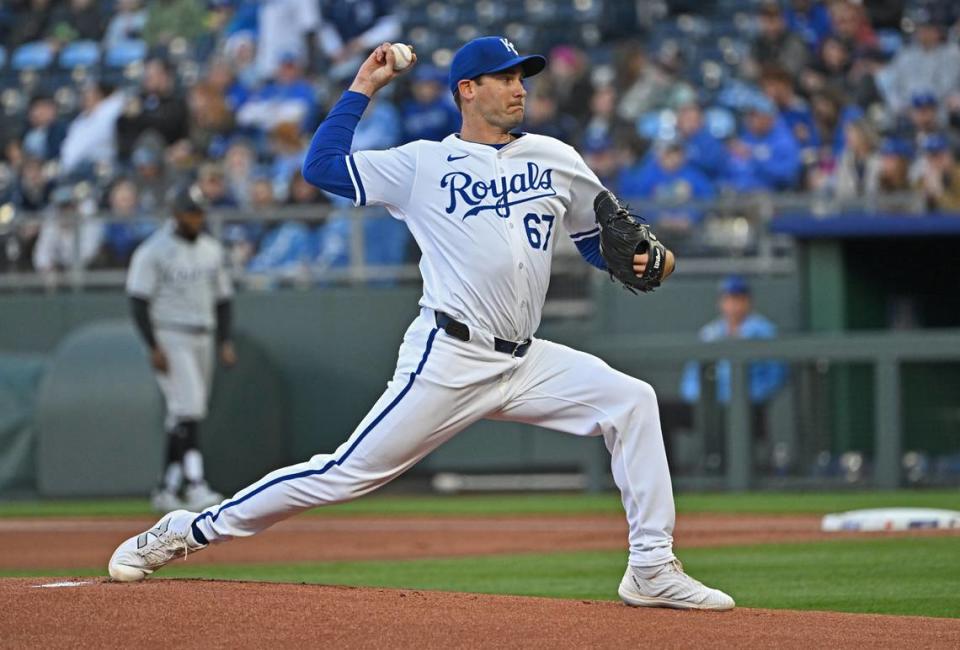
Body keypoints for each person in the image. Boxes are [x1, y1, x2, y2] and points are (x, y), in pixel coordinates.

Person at [109, 37, 734, 611]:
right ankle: (185, 530)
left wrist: (654, 258)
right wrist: (362, 86)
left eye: (523, 76)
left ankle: (651, 566)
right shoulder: (422, 165)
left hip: (525, 358)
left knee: (632, 402)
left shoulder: (555, 158)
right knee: (343, 475)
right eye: (504, 77)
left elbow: (602, 242)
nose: (519, 87)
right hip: (450, 355)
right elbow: (322, 168)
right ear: (468, 89)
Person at [124, 185, 236, 512]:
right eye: (191, 212)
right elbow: (138, 301)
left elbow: (224, 300)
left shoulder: (211, 250)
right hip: (171, 334)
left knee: (182, 414)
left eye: (200, 213)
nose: (196, 219)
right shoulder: (153, 251)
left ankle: (167, 487)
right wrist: (152, 345)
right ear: (176, 214)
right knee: (190, 408)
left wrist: (225, 340)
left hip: (204, 332)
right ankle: (196, 484)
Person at [680, 276, 787, 467]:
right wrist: (701, 401)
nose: (733, 305)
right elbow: (690, 378)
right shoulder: (709, 333)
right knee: (666, 412)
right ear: (721, 302)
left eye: (738, 299)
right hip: (712, 406)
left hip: (748, 404)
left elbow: (777, 374)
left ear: (748, 301)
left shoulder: (764, 331)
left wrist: (749, 396)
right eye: (728, 299)